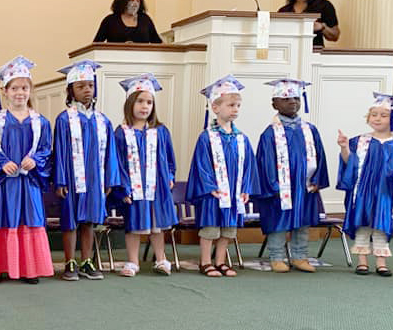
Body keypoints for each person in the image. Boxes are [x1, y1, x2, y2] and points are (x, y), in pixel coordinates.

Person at [0, 56, 54, 284]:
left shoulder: (40, 122)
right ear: (5, 91)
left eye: (24, 88)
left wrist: (36, 160)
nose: (20, 93)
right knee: (5, 219)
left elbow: (45, 149)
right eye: (14, 88)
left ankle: (29, 269)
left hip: (29, 181)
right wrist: (2, 163)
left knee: (29, 219)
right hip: (6, 183)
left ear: (31, 89)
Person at [52, 60, 120, 281]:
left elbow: (110, 153)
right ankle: (70, 261)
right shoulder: (64, 119)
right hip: (72, 179)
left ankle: (87, 261)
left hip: (95, 179)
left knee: (89, 220)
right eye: (81, 86)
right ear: (71, 90)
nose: (87, 90)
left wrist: (109, 179)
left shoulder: (103, 121)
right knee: (71, 219)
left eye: (90, 85)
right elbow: (60, 152)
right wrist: (60, 180)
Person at [186, 75, 259, 278]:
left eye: (238, 105)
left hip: (234, 193)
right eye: (230, 105)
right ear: (215, 107)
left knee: (228, 230)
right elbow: (201, 165)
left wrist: (246, 189)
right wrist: (210, 187)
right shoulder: (206, 137)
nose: (235, 109)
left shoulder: (241, 138)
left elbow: (248, 167)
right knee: (210, 229)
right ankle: (205, 262)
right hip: (214, 194)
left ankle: (220, 261)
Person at [337, 92, 393, 277]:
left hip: (385, 192)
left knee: (382, 226)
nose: (377, 119)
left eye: (383, 115)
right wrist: (344, 148)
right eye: (374, 115)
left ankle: (381, 262)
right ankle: (362, 262)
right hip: (363, 191)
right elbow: (350, 163)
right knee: (363, 225)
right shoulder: (359, 141)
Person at [255, 79, 330, 273]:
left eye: (296, 98)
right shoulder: (270, 134)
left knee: (303, 221)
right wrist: (273, 186)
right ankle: (277, 257)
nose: (293, 102)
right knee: (278, 222)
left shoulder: (310, 130)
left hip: (304, 186)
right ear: (275, 104)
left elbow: (320, 156)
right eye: (286, 98)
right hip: (280, 188)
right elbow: (265, 162)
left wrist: (317, 180)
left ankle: (300, 256)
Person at [111, 73, 179, 277]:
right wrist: (123, 187)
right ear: (130, 103)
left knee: (157, 225)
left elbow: (169, 157)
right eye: (140, 101)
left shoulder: (160, 131)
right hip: (133, 186)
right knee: (133, 225)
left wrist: (169, 175)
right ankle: (132, 262)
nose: (145, 106)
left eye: (149, 102)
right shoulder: (121, 132)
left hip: (157, 186)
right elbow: (118, 162)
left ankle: (161, 259)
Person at [93, 0, 163, 44]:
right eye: (132, 0)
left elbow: (158, 42)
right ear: (123, 0)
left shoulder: (145, 20)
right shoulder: (110, 20)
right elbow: (96, 45)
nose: (135, 3)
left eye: (138, 0)